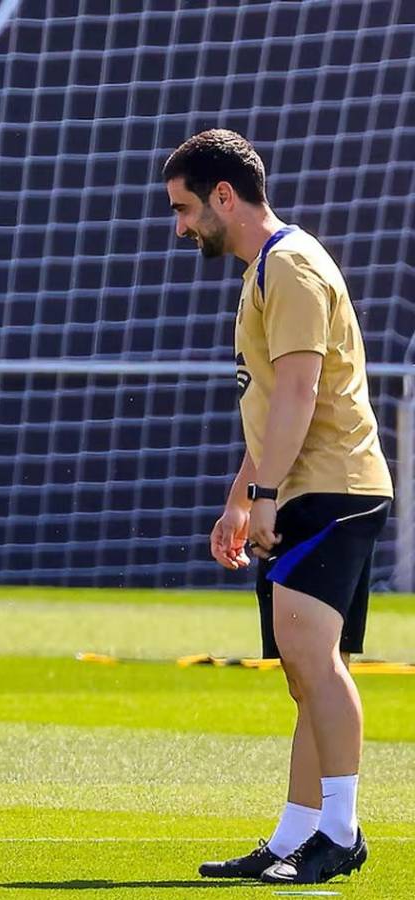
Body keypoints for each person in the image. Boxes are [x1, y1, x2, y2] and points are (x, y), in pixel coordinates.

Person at [164, 129, 392, 885]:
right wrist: (241, 500)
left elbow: (300, 394)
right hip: (308, 484)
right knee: (303, 669)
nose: (181, 226)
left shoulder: (289, 266)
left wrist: (262, 497)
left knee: (314, 660)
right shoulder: (266, 267)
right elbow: (271, 408)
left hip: (332, 487)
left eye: (186, 207)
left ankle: (343, 832)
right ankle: (297, 834)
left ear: (224, 196)